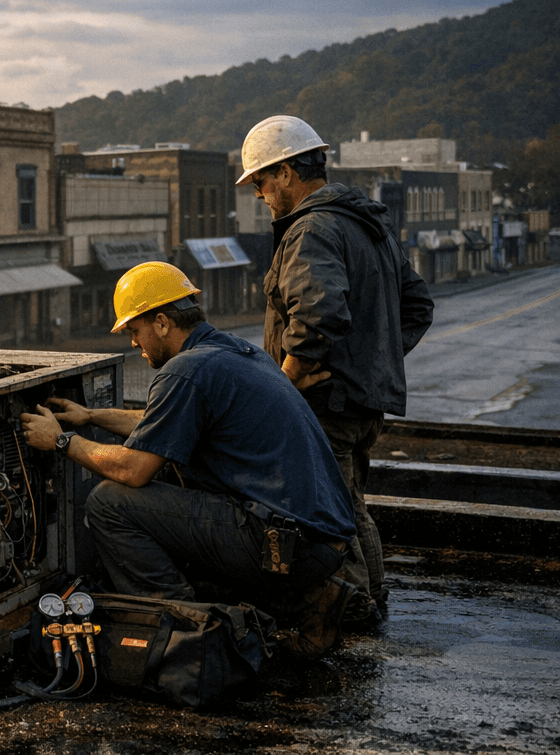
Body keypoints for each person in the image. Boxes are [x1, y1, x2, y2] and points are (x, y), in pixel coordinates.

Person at [21, 261, 359, 657]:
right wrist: (92, 416)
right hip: (318, 545)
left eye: (134, 330)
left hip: (286, 546)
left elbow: (132, 470)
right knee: (175, 482)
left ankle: (187, 632)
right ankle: (297, 605)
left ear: (162, 322)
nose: (133, 342)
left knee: (110, 503)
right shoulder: (234, 351)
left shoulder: (186, 370)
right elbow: (164, 422)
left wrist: (62, 441)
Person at [236, 115, 435, 624]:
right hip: (361, 401)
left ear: (285, 172)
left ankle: (355, 611)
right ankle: (373, 600)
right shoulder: (367, 223)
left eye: (259, 181)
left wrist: (288, 379)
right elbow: (416, 306)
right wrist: (368, 364)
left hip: (328, 403)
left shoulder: (311, 228)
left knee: (327, 513)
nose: (258, 194)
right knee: (351, 503)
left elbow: (317, 313)